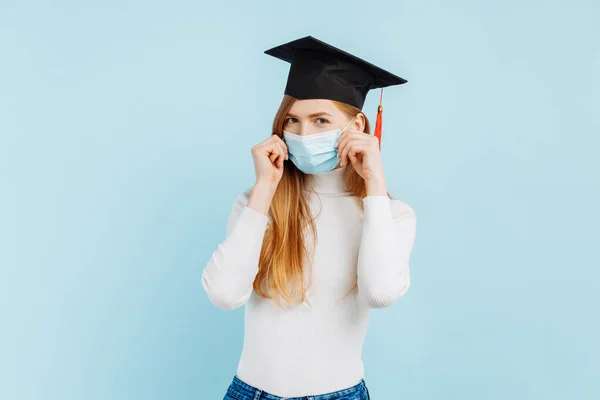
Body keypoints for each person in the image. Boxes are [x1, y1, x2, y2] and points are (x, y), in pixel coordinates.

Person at [202, 35, 417, 400]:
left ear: (357, 127)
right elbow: (224, 294)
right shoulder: (256, 202)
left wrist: (375, 183)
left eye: (320, 120)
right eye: (293, 121)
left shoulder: (390, 214)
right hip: (249, 393)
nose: (303, 134)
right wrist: (265, 189)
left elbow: (380, 293)